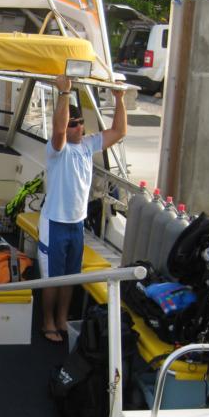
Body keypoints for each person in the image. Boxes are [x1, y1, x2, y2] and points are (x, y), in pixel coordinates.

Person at [39, 75, 126, 342]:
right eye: (73, 124)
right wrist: (65, 93)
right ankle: (47, 321)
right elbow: (58, 129)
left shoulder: (88, 146)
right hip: (54, 223)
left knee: (70, 276)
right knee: (52, 278)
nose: (78, 128)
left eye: (80, 124)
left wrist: (120, 100)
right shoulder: (58, 149)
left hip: (77, 223)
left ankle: (63, 318)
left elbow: (119, 132)